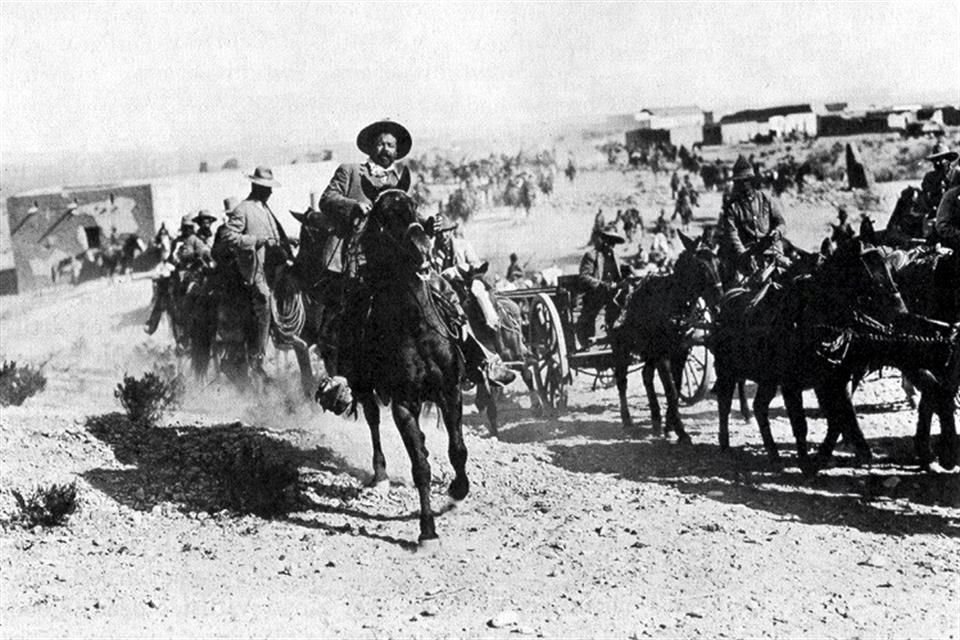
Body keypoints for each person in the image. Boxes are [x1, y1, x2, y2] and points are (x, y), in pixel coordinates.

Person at [218, 166, 292, 377]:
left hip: (275, 268)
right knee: (265, 300)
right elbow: (228, 236)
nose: (269, 191)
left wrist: (286, 243)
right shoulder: (244, 209)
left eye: (269, 188)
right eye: (265, 188)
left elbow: (274, 236)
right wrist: (254, 241)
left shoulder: (266, 209)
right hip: (255, 271)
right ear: (256, 187)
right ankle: (259, 356)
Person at [718, 155, 786, 284]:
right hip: (747, 257)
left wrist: (777, 232)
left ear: (752, 181)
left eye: (746, 181)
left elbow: (781, 222)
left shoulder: (766, 199)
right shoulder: (732, 207)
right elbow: (732, 235)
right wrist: (744, 256)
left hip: (772, 252)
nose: (743, 185)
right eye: (739, 182)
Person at [576, 225, 625, 348]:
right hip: (595, 295)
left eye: (613, 243)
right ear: (603, 240)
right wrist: (601, 285)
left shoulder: (616, 257)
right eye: (609, 241)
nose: (611, 246)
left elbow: (621, 273)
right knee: (593, 313)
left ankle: (618, 337)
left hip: (613, 295)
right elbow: (584, 276)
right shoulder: (591, 255)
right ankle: (590, 339)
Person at [918, 144, 959, 217]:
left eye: (941, 159)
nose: (937, 163)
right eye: (935, 160)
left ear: (948, 160)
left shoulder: (957, 175)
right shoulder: (929, 177)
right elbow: (924, 198)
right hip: (935, 214)